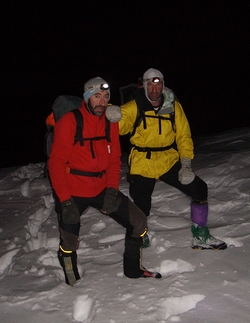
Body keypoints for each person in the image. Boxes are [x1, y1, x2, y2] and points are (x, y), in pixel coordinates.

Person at [48, 76, 161, 286]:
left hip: (101, 188)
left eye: (106, 96)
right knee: (70, 241)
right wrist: (65, 200)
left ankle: (133, 269)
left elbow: (114, 161)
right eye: (97, 96)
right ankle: (71, 275)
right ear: (87, 97)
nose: (102, 102)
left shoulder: (110, 123)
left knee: (139, 222)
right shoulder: (70, 122)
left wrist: (111, 190)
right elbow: (55, 165)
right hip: (72, 191)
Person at [117, 68, 227, 250]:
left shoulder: (173, 106)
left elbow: (183, 136)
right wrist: (113, 118)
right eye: (150, 84)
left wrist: (185, 164)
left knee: (199, 189)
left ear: (163, 85)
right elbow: (120, 128)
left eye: (158, 83)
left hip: (168, 159)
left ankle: (200, 235)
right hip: (142, 162)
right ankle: (140, 234)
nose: (154, 88)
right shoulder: (133, 106)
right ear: (144, 86)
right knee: (141, 206)